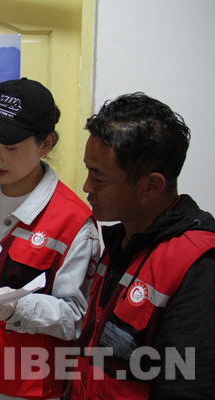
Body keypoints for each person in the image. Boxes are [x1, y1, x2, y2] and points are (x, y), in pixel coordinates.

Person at [0, 78, 101, 400]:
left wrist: (18, 309)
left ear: (46, 144)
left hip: (20, 387)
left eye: (10, 148)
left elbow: (78, 320)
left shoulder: (73, 223)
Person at [70, 93, 215, 399]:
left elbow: (187, 387)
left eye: (99, 178)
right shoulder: (123, 240)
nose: (86, 187)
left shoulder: (198, 265)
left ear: (151, 186)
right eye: (87, 170)